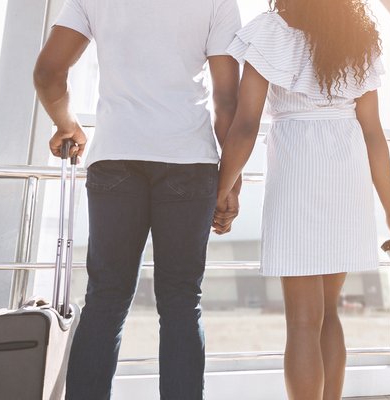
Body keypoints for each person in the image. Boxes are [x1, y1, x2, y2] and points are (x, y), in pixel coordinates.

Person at [32, 0, 242, 397]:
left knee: (105, 299)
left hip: (115, 158)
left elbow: (48, 72)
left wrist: (67, 125)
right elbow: (227, 101)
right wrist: (231, 181)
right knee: (181, 304)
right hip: (188, 159)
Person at [212, 0, 390, 398]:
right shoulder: (357, 37)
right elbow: (372, 132)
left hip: (297, 165)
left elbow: (246, 124)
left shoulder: (270, 30)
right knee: (329, 312)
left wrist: (220, 191)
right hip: (346, 166)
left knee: (303, 320)